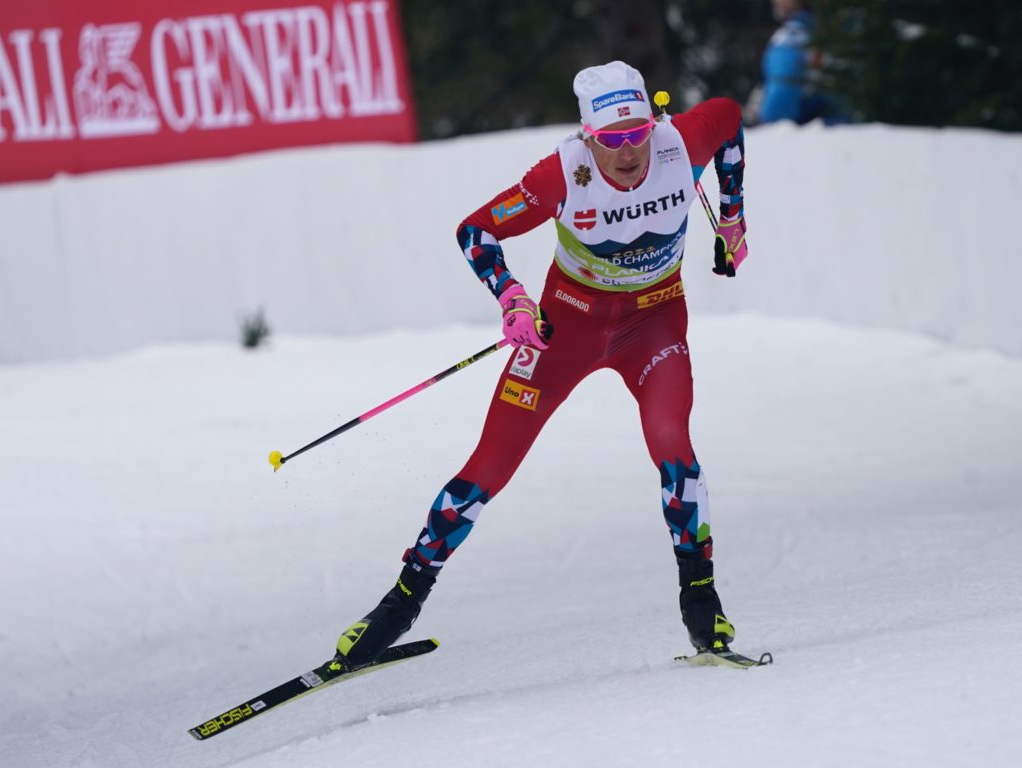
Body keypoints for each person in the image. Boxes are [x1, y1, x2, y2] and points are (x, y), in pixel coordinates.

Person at [331, 61, 749, 669]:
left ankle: (701, 600)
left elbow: (731, 118)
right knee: (488, 467)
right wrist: (513, 298)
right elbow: (475, 231)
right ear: (587, 137)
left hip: (653, 323)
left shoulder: (680, 142)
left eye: (637, 134)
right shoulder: (563, 173)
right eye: (611, 140)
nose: (628, 152)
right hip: (566, 329)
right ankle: (400, 604)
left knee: (672, 444)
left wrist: (731, 215)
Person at [755, 0, 849, 126]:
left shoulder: (791, 40)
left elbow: (780, 105)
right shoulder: (848, 32)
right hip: (853, 134)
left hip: (808, 137)